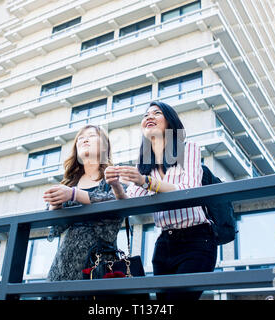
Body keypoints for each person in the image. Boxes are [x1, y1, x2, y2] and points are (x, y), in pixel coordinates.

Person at [105, 101, 217, 301]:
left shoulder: (188, 148)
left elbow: (188, 190)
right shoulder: (145, 164)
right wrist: (115, 184)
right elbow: (130, 202)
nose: (149, 117)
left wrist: (146, 181)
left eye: (156, 113)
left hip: (197, 239)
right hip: (164, 243)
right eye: (145, 115)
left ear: (171, 122)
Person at [43, 124, 124, 299]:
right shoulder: (69, 182)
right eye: (80, 138)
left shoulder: (112, 176)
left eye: (91, 136)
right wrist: (55, 204)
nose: (84, 139)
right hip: (65, 260)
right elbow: (56, 227)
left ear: (104, 146)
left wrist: (73, 194)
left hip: (99, 259)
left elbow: (117, 201)